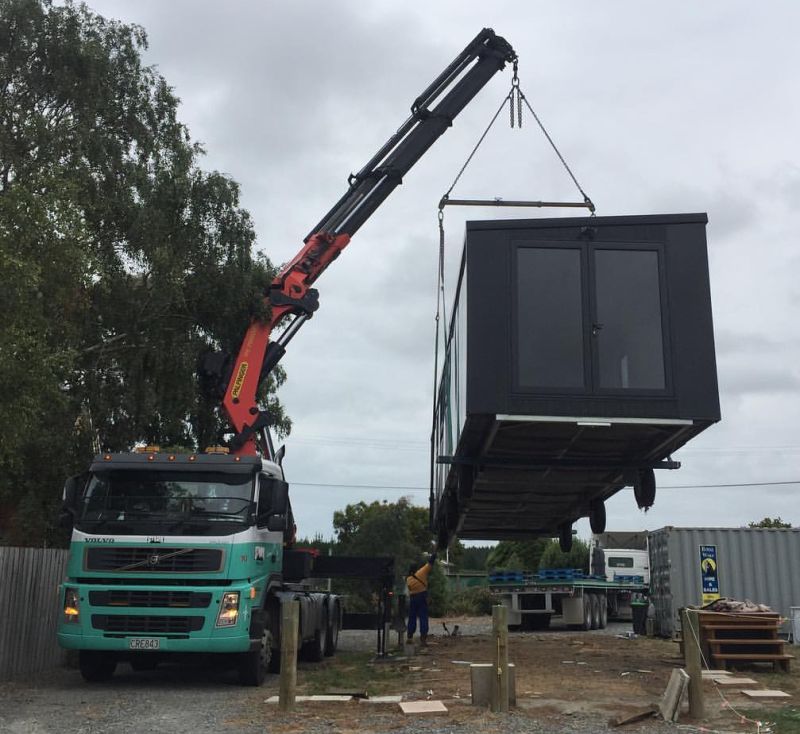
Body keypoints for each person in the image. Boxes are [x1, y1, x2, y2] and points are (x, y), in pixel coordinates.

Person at [406, 544, 437, 646]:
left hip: (413, 598)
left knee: (412, 617)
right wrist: (434, 551)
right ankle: (423, 639)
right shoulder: (421, 573)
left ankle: (409, 637)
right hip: (422, 597)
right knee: (423, 617)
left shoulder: (408, 579)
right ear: (416, 569)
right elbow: (430, 562)